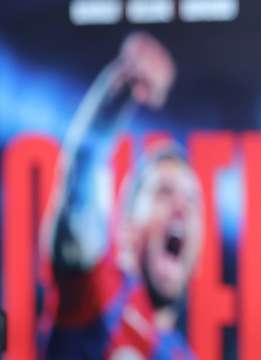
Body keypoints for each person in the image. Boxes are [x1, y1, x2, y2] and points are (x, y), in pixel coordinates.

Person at [41, 32, 202, 359]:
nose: (181, 207)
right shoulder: (99, 298)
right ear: (127, 227)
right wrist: (122, 87)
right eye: (164, 193)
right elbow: (82, 175)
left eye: (192, 200)